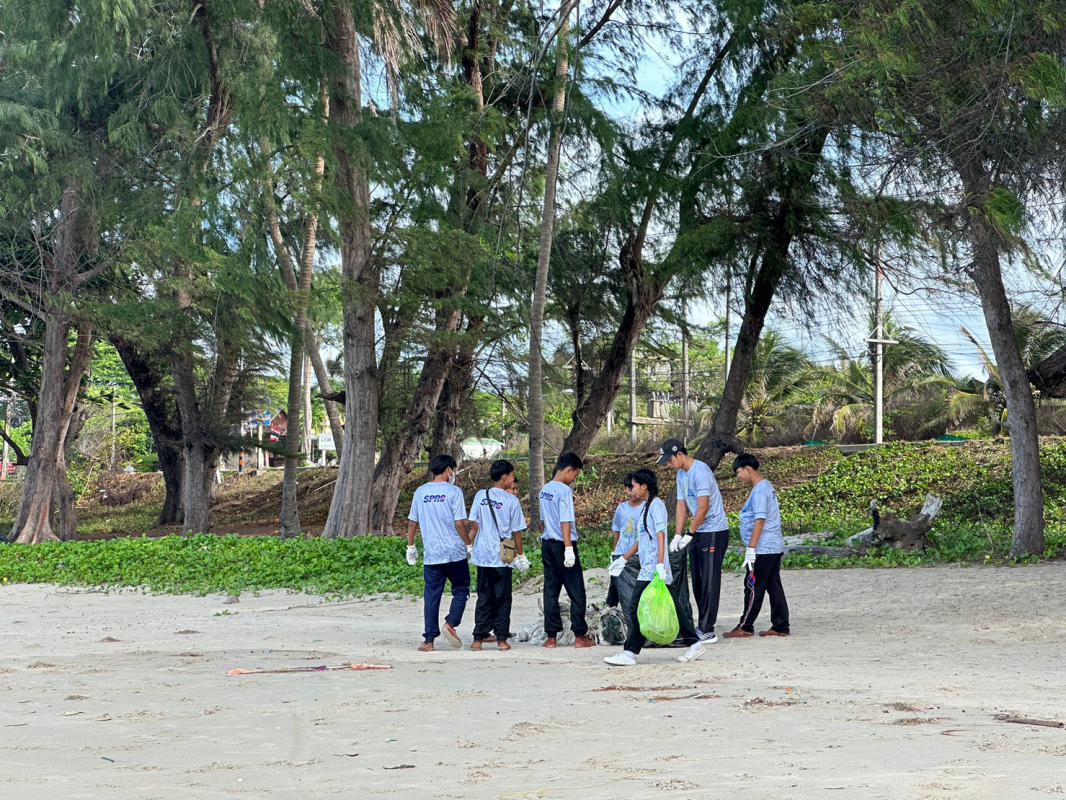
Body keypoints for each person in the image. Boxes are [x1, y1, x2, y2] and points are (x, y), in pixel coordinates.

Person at [604, 469, 700, 666]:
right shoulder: (647, 506)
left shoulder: (656, 506)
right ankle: (694, 643)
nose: (631, 490)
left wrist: (660, 564)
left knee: (635, 608)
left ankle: (630, 652)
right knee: (673, 608)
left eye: (634, 486)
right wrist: (623, 559)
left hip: (654, 570)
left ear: (644, 486)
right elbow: (642, 539)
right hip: (649, 567)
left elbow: (660, 535)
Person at [659, 438, 730, 659]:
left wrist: (690, 533)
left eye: (669, 460)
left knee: (709, 579)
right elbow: (681, 505)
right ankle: (702, 624)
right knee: (698, 580)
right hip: (697, 531)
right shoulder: (681, 474)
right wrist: (678, 534)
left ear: (679, 454)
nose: (668, 465)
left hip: (713, 531)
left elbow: (703, 507)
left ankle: (707, 629)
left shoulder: (700, 472)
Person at [406, 454, 471, 652]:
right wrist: (468, 544)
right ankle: (451, 622)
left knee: (432, 595)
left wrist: (411, 546)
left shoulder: (421, 492)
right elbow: (459, 523)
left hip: (433, 554)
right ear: (449, 470)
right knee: (461, 589)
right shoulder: (454, 492)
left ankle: (429, 640)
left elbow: (412, 522)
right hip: (455, 552)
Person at [723, 453, 790, 638]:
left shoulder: (760, 490)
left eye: (738, 472)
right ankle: (780, 625)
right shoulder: (766, 486)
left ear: (748, 469)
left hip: (763, 548)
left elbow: (760, 520)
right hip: (773, 546)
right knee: (773, 586)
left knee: (753, 586)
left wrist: (751, 548)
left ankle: (745, 626)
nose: (738, 476)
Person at [468, 460, 531, 651]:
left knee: (484, 596)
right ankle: (501, 639)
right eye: (512, 476)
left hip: (483, 553)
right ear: (504, 477)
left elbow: (473, 523)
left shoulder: (481, 495)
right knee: (503, 598)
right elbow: (517, 531)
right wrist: (521, 555)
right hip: (505, 549)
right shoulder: (512, 501)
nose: (513, 479)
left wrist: (472, 543)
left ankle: (478, 639)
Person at [539, 451, 595, 648]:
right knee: (576, 590)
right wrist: (568, 547)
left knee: (551, 590)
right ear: (569, 470)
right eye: (575, 475)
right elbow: (565, 521)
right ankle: (579, 635)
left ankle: (551, 636)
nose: (574, 479)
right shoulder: (564, 491)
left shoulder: (544, 489)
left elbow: (543, 521)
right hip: (563, 543)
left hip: (547, 543)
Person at [605, 473, 642, 609]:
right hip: (621, 551)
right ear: (625, 489)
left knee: (634, 582)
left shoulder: (646, 507)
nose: (632, 493)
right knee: (615, 580)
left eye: (634, 488)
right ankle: (611, 607)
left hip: (638, 553)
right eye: (629, 489)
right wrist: (615, 551)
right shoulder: (621, 508)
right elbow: (617, 530)